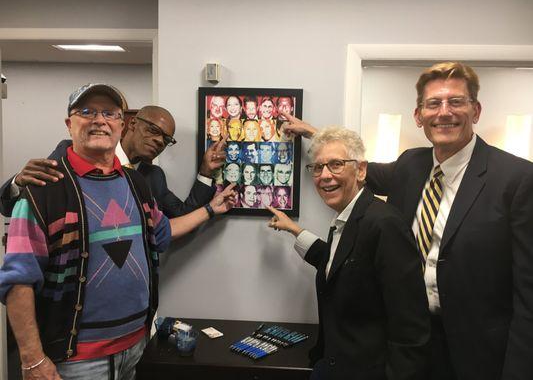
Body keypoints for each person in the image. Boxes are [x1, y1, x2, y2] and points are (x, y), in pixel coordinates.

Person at [280, 62, 533, 380]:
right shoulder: (409, 165)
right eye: (433, 104)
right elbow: (353, 165)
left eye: (456, 101)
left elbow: (528, 297)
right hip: (402, 347)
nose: (444, 112)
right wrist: (311, 133)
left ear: (476, 110)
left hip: (475, 355)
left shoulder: (517, 179)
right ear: (418, 116)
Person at [0, 84, 236, 380]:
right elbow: (18, 278)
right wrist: (32, 358)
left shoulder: (142, 182)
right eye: (87, 112)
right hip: (77, 358)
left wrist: (211, 208)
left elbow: (164, 228)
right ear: (69, 124)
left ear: (120, 123)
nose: (100, 120)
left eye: (109, 113)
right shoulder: (46, 182)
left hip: (135, 347)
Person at [267, 126, 429, 379]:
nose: (325, 175)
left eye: (336, 165)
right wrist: (295, 230)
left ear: (361, 170)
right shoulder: (347, 219)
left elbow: (411, 327)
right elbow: (342, 265)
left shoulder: (384, 224)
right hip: (332, 364)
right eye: (318, 168)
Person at [0, 98, 226, 219]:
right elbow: (12, 208)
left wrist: (206, 171)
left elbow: (181, 215)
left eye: (166, 140)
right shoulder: (71, 153)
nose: (159, 142)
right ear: (132, 123)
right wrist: (17, 184)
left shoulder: (152, 176)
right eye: (154, 131)